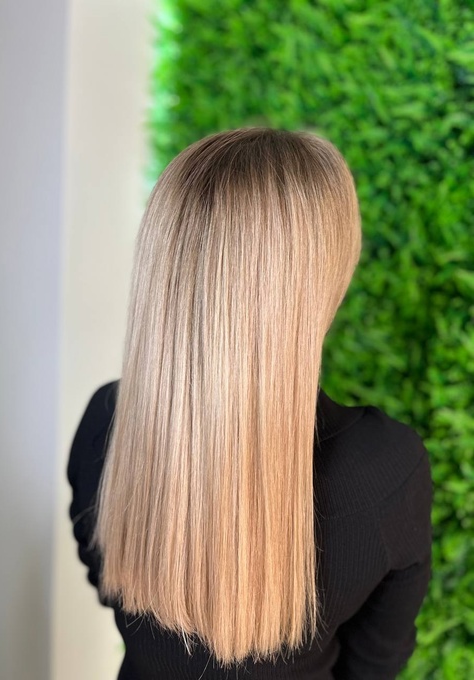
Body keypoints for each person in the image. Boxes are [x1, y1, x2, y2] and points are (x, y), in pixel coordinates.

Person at [67, 127, 434, 679]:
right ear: (322, 277)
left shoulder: (105, 422)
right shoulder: (385, 469)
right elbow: (375, 662)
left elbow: (105, 577)